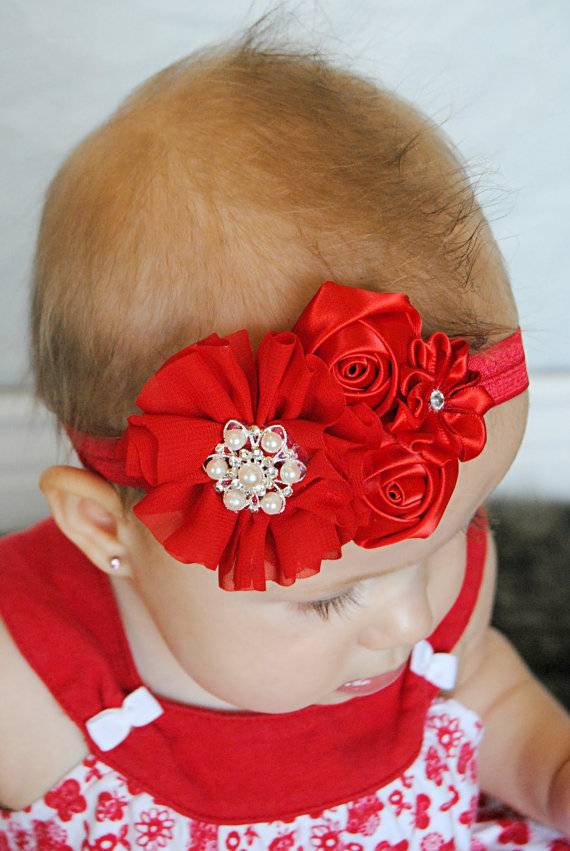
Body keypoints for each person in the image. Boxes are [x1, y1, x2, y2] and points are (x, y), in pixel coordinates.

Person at [1, 14, 569, 850]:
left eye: (458, 531)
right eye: (328, 596)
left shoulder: (426, 600)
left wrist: (550, 770)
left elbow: (483, 690)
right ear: (104, 526)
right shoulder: (25, 680)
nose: (411, 621)